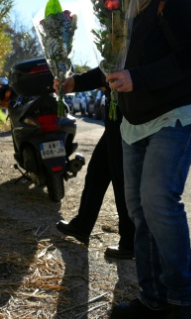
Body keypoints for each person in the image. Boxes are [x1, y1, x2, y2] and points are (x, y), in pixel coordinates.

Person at [101, 0, 191, 319]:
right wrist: (73, 82)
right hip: (137, 121)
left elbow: (190, 54)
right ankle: (152, 299)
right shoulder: (120, 12)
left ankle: (185, 298)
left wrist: (139, 77)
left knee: (158, 199)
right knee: (137, 209)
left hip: (181, 112)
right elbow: (114, 65)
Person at [54, 68, 135, 259]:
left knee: (121, 177)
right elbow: (105, 70)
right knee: (97, 170)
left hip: (129, 115)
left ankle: (130, 241)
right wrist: (73, 82)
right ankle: (83, 224)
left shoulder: (132, 40)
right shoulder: (119, 43)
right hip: (116, 115)